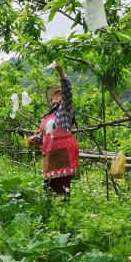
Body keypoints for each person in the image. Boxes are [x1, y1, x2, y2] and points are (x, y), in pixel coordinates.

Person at [29, 63, 79, 197]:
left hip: (62, 151)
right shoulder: (46, 117)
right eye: (54, 94)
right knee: (48, 187)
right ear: (50, 99)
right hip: (50, 153)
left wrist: (61, 73)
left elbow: (68, 91)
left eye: (59, 93)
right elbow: (44, 137)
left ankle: (64, 213)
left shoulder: (65, 109)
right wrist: (36, 139)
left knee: (61, 188)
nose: (56, 95)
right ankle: (50, 212)